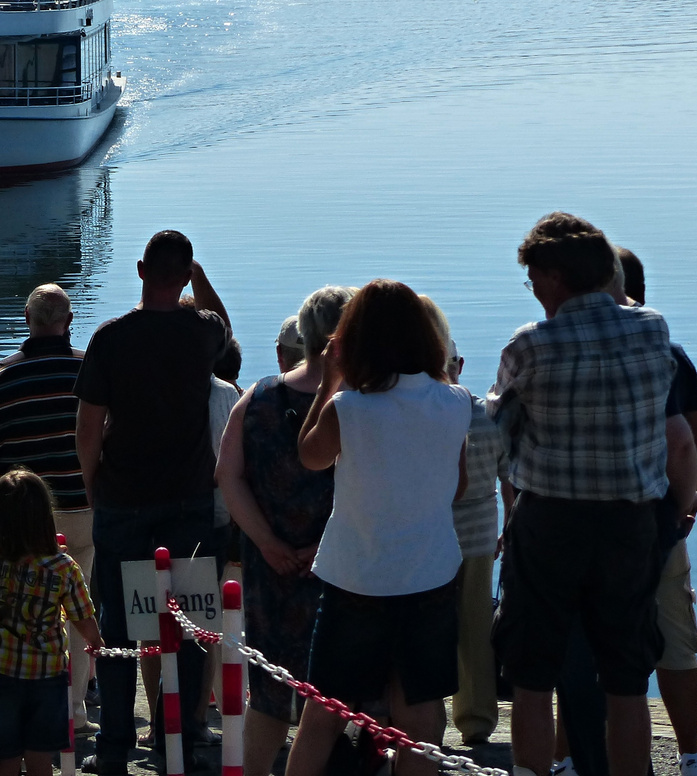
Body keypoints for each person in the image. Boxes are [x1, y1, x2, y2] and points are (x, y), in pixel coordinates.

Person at [488, 213, 687, 776]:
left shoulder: (530, 344)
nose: (533, 293)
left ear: (553, 278)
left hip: (550, 523)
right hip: (631, 526)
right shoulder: (654, 328)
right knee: (626, 677)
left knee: (532, 675)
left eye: (532, 281)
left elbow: (493, 432)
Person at [284, 279, 470, 776]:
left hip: (357, 578)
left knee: (324, 711)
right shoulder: (456, 401)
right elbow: (457, 487)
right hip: (430, 574)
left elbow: (311, 457)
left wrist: (328, 380)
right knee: (420, 717)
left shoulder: (350, 409)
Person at [74, 231, 231, 776]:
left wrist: (94, 484)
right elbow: (223, 321)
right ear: (185, 276)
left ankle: (116, 744)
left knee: (117, 625)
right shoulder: (201, 331)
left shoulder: (110, 339)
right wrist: (199, 277)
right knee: (186, 628)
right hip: (188, 499)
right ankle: (179, 741)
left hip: (123, 497)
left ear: (140, 270)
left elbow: (88, 426)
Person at [551, 247, 697, 776]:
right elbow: (694, 443)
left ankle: (572, 758)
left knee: (584, 651)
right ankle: (688, 757)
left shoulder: (563, 350)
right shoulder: (666, 351)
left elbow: (694, 441)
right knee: (669, 644)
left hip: (593, 524)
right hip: (659, 519)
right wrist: (686, 505)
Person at [216, 285, 354, 776]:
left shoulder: (257, 396)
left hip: (268, 567)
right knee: (344, 694)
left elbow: (228, 476)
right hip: (340, 566)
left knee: (269, 695)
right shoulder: (358, 404)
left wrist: (268, 543)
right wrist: (322, 546)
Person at [0, 284, 97, 735]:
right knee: (81, 610)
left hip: (21, 518)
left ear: (27, 319)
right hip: (84, 509)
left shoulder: (0, 377)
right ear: (70, 321)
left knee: (19, 605)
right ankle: (73, 709)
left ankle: (23, 702)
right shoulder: (90, 371)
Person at [0, 470, 103, 776]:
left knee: (5, 758)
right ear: (45, 516)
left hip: (2, 677)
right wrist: (95, 642)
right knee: (41, 759)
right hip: (48, 678)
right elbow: (83, 618)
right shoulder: (63, 568)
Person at [420, 296, 510, 748]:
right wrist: (509, 526)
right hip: (477, 537)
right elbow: (508, 478)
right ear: (459, 363)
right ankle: (475, 721)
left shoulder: (422, 413)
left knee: (429, 628)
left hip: (428, 539)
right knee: (475, 628)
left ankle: (425, 716)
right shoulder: (488, 416)